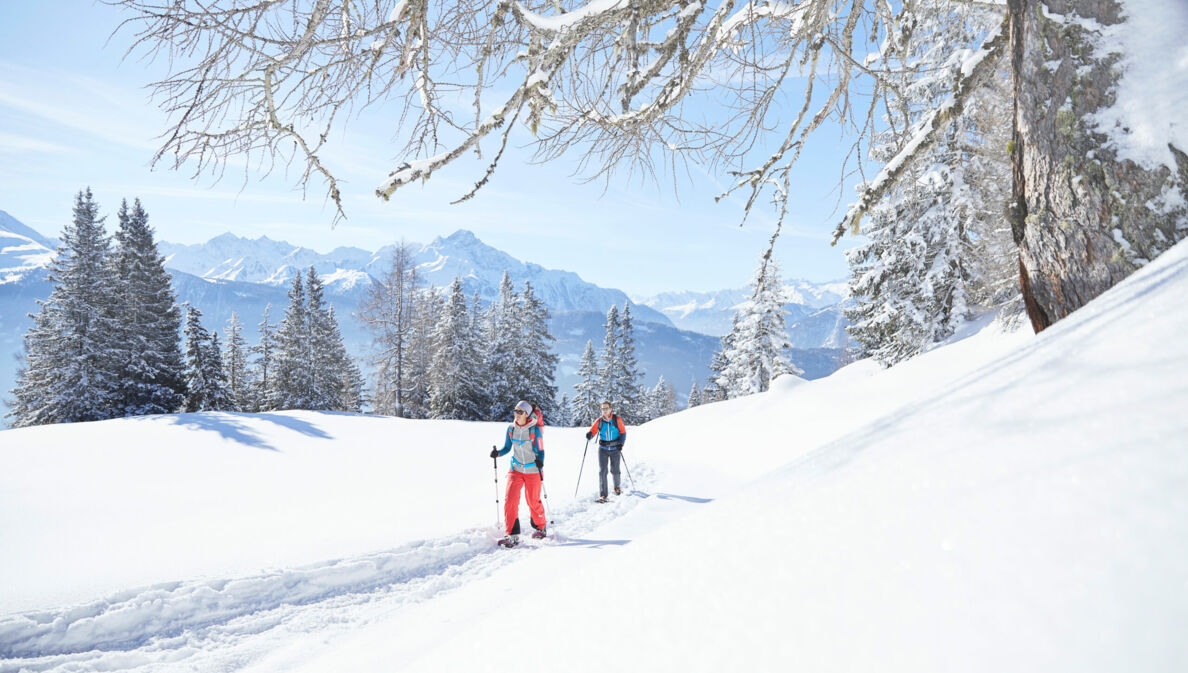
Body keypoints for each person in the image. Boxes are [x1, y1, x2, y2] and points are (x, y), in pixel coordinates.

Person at [490, 400, 546, 545]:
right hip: (516, 469)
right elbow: (507, 448)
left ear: (527, 414)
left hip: (533, 470)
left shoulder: (534, 430)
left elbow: (541, 450)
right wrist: (498, 453)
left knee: (532, 501)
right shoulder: (511, 429)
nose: (516, 414)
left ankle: (541, 527)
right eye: (515, 411)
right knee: (510, 500)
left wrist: (540, 461)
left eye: (520, 412)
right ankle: (512, 534)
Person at [585, 401, 627, 502]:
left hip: (615, 449)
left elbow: (623, 432)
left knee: (615, 470)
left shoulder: (617, 420)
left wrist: (621, 444)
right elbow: (593, 430)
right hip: (603, 449)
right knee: (602, 472)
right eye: (603, 409)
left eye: (606, 408)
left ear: (610, 409)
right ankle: (603, 495)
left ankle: (617, 488)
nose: (605, 410)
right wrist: (589, 434)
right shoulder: (599, 421)